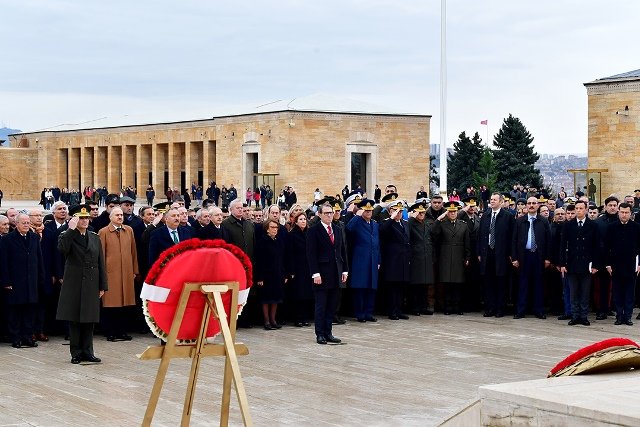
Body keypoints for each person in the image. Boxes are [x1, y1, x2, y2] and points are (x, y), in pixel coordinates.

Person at [56, 205, 107, 364]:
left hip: (91, 281)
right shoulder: (66, 235)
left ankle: (88, 351)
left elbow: (101, 262)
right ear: (74, 219)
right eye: (81, 218)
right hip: (75, 281)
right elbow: (62, 249)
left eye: (86, 218)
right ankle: (76, 352)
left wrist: (102, 285)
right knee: (75, 318)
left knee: (89, 319)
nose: (85, 220)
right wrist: (70, 230)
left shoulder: (93, 236)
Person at [0, 213, 45, 348]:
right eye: (23, 223)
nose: (26, 225)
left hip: (31, 281)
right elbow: (3, 262)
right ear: (17, 224)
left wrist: (41, 278)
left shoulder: (34, 237)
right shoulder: (7, 239)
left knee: (29, 310)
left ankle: (27, 336)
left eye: (27, 223)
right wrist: (6, 281)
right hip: (15, 282)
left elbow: (39, 259)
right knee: (15, 311)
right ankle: (16, 337)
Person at [306, 202, 348, 345]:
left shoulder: (337, 229)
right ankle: (320, 333)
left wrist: (345, 269)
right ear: (319, 214)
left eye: (331, 212)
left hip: (335, 272)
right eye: (326, 213)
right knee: (321, 305)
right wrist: (315, 273)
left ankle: (328, 332)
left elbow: (342, 251)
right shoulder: (313, 230)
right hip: (321, 274)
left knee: (332, 305)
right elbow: (311, 254)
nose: (329, 215)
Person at [98, 207, 139, 341]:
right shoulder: (103, 232)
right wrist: (102, 274)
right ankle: (110, 332)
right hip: (111, 274)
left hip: (126, 273)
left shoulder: (129, 230)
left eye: (121, 215)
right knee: (111, 305)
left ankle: (122, 331)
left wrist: (134, 270)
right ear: (110, 217)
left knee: (125, 304)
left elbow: (133, 252)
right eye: (117, 215)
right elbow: (101, 255)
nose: (120, 217)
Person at [559, 200, 600, 326]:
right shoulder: (568, 225)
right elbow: (562, 245)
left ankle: (583, 316)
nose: (578, 210)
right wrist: (562, 264)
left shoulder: (593, 226)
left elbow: (597, 246)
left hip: (586, 264)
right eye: (576, 208)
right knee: (573, 292)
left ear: (586, 210)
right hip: (572, 264)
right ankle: (575, 316)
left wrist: (595, 265)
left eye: (581, 208)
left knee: (585, 292)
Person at [511, 197, 551, 319]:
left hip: (539, 256)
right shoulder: (519, 221)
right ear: (526, 206)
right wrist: (514, 258)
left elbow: (548, 241)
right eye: (529, 203)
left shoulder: (544, 221)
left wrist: (548, 258)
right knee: (523, 284)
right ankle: (521, 310)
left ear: (538, 205)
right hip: (524, 256)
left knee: (538, 284)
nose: (531, 205)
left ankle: (538, 310)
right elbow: (514, 240)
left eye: (534, 203)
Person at [478, 193, 514, 317]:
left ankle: (500, 309)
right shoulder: (486, 215)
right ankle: (490, 308)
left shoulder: (508, 216)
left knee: (501, 282)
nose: (492, 201)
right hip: (487, 253)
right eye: (491, 200)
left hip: (502, 254)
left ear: (501, 201)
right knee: (488, 282)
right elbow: (480, 235)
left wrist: (511, 254)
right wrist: (479, 252)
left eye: (494, 200)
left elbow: (512, 237)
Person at [604, 203, 640, 325]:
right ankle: (619, 316)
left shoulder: (637, 228)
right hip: (615, 265)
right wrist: (608, 264)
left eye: (626, 213)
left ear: (630, 213)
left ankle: (628, 316)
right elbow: (606, 247)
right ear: (618, 212)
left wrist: (639, 264)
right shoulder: (611, 227)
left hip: (631, 265)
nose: (624, 215)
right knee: (617, 292)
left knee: (630, 292)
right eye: (622, 212)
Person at [432, 202, 470, 315]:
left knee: (458, 284)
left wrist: (467, 256)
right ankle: (448, 307)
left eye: (454, 211)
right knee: (447, 284)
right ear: (447, 213)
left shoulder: (463, 225)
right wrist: (439, 219)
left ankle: (457, 307)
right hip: (446, 257)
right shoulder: (442, 224)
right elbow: (433, 233)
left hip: (459, 257)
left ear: (457, 212)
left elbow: (467, 242)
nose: (452, 213)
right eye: (450, 211)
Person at [345, 199, 380, 322]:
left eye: (370, 210)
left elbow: (377, 244)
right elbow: (348, 228)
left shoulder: (375, 224)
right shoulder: (357, 222)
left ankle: (369, 313)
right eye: (366, 210)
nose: (369, 212)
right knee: (360, 287)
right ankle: (359, 313)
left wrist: (379, 260)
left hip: (373, 259)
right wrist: (356, 216)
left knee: (371, 287)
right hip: (360, 260)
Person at [379, 199, 411, 320]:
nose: (399, 213)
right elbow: (382, 231)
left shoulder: (405, 223)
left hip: (403, 260)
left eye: (401, 211)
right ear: (390, 211)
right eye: (396, 211)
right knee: (392, 288)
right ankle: (392, 311)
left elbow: (408, 241)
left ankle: (399, 309)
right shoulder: (387, 223)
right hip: (392, 261)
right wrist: (392, 218)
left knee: (401, 287)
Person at [255, 219, 288, 330]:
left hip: (277, 273)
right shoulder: (262, 241)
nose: (275, 229)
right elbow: (259, 260)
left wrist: (284, 274)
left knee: (276, 298)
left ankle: (273, 320)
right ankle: (266, 320)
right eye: (272, 227)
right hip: (266, 274)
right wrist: (260, 277)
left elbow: (283, 258)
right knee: (266, 298)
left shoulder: (279, 241)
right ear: (267, 229)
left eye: (276, 227)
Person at [407, 201, 435, 315]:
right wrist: (410, 218)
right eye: (419, 212)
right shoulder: (410, 223)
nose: (421, 214)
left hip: (426, 257)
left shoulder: (427, 224)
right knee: (415, 285)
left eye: (423, 212)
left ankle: (423, 306)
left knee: (425, 284)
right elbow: (407, 233)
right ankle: (415, 307)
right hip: (415, 257)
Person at [286, 212, 313, 327]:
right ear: (296, 222)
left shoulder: (309, 233)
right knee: (298, 294)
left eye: (304, 219)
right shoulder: (292, 235)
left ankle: (305, 317)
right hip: (297, 269)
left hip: (308, 268)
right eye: (300, 219)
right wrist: (291, 270)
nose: (303, 221)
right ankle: (297, 318)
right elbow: (290, 254)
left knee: (307, 294)